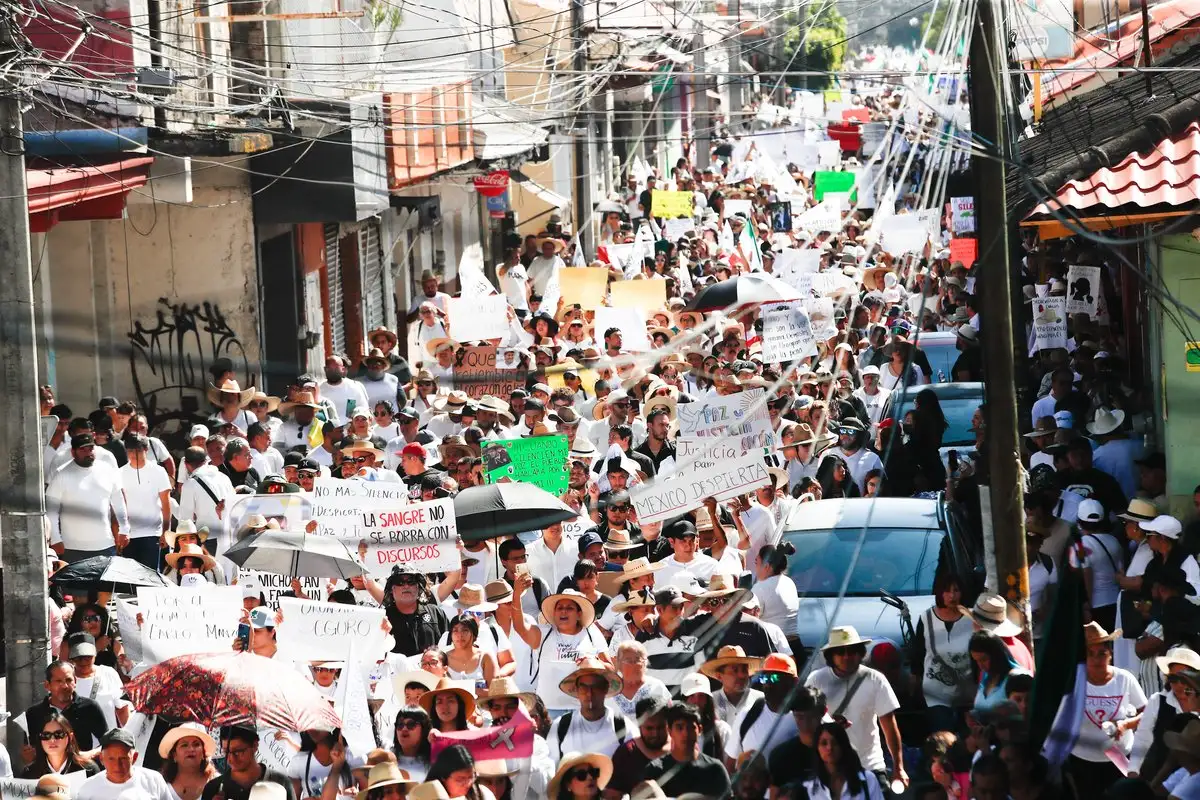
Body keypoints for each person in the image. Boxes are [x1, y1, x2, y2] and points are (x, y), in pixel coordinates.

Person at [805, 627, 907, 791]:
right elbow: (806, 723)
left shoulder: (876, 679)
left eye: (852, 651)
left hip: (870, 765)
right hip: (831, 767)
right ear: (831, 655)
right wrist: (829, 725)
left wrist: (898, 767)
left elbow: (889, 727)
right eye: (840, 652)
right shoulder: (816, 679)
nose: (846, 656)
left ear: (860, 653)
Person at [1067, 622, 1147, 797]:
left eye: (1102, 653)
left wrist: (1125, 725)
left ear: (1110, 654)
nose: (1096, 660)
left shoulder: (1124, 679)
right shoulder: (1073, 681)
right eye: (1090, 654)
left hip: (1121, 759)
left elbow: (1148, 714)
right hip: (1083, 759)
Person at [508, 579, 608, 715]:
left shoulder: (591, 633)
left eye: (569, 608)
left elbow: (610, 668)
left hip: (583, 710)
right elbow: (519, 626)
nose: (563, 612)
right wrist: (517, 595)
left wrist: (594, 662)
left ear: (579, 614)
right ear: (554, 613)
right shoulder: (543, 632)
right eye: (560, 608)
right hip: (548, 710)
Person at [45, 433, 130, 562]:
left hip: (105, 545)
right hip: (72, 548)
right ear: (73, 452)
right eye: (83, 449)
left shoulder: (107, 470)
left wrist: (124, 528)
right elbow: (51, 509)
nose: (88, 452)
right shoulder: (61, 474)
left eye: (90, 448)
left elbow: (118, 501)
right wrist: (55, 538)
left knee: (105, 582)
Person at [911, 574, 975, 733]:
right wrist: (915, 681)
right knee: (943, 736)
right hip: (935, 692)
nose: (952, 595)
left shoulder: (972, 618)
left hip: (967, 693)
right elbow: (918, 653)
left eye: (956, 590)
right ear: (939, 593)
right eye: (946, 591)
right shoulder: (926, 618)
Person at [547, 658, 632, 764]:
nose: (589, 693)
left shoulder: (622, 725)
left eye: (595, 687)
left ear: (605, 688)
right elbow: (550, 769)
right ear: (577, 690)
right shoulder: (561, 726)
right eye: (584, 687)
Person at [642, 704, 731, 798]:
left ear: (699, 730)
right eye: (679, 728)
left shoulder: (715, 769)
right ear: (669, 731)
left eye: (691, 728)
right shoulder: (655, 770)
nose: (686, 733)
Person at [23, 661, 108, 755]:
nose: (64, 686)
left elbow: (108, 742)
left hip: (83, 768)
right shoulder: (34, 714)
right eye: (58, 681)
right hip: (48, 769)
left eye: (68, 680)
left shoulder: (89, 707)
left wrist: (88, 755)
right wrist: (28, 756)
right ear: (47, 685)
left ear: (75, 682)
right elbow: (30, 750)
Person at [1070, 498, 1125, 631]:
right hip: (1116, 602)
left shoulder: (1081, 545)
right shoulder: (1114, 541)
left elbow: (1085, 575)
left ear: (1079, 522)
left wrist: (1086, 605)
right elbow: (1121, 572)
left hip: (1095, 606)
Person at [201, 726, 296, 800]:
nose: (231, 758)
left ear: (255, 745)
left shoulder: (281, 782)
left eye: (238, 751)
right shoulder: (213, 788)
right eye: (226, 752)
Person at [797, 722, 886, 800]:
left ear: (843, 746)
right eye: (824, 743)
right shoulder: (808, 786)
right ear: (817, 748)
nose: (829, 748)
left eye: (835, 742)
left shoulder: (867, 780)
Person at [77, 728, 172, 800]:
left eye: (123, 758)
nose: (117, 765)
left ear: (134, 758)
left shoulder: (153, 780)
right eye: (111, 759)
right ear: (101, 758)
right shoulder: (87, 789)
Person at [604, 697, 670, 800]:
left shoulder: (682, 748)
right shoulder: (627, 753)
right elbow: (613, 795)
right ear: (639, 725)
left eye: (660, 727)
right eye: (649, 728)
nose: (655, 734)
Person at [383, 566, 451, 657]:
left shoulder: (436, 613)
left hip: (431, 670)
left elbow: (450, 646)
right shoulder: (383, 618)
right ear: (392, 589)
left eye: (411, 581)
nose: (406, 586)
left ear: (418, 587)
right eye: (400, 582)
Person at [22, 708, 99, 779]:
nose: (52, 740)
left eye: (58, 734)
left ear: (70, 737)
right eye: (46, 735)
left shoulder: (88, 770)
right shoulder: (29, 773)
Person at [700, 646, 764, 729]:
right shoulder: (710, 703)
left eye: (744, 670)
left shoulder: (761, 700)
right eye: (735, 670)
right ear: (719, 676)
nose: (741, 675)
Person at [606, 641, 671, 721]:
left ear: (645, 663)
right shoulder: (609, 692)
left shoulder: (657, 686)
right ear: (619, 664)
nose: (634, 665)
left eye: (638, 660)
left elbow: (670, 718)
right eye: (628, 660)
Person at [159, 724, 219, 800]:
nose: (191, 749)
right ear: (174, 755)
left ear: (204, 753)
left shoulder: (218, 783)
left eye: (196, 744)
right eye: (184, 745)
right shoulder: (160, 784)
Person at [751, 542, 799, 638]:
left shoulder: (760, 587)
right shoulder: (789, 582)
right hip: (796, 645)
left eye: (756, 563)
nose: (755, 568)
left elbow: (750, 619)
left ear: (766, 566)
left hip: (773, 645)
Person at [969, 631, 1021, 715]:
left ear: (996, 655)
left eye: (984, 660)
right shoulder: (985, 676)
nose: (980, 666)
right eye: (977, 661)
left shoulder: (1016, 678)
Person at [425, 744, 492, 800]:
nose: (467, 784)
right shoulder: (425, 796)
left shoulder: (483, 794)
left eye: (471, 777)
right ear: (444, 777)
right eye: (460, 779)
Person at [389, 707, 433, 782]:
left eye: (411, 724)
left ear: (424, 729)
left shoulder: (434, 761)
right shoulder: (387, 759)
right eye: (400, 725)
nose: (404, 729)